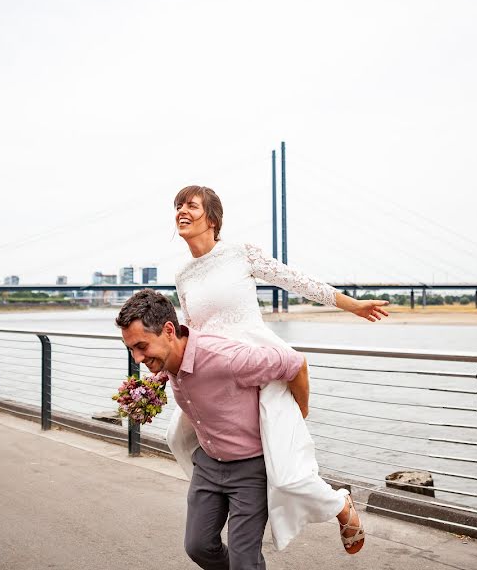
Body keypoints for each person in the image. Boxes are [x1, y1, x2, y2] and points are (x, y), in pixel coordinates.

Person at [169, 185, 389, 553]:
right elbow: (190, 330)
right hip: (215, 373)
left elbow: (298, 281)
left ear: (212, 218)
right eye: (177, 206)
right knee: (178, 439)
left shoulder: (239, 253)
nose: (181, 211)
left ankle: (340, 505)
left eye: (191, 205)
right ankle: (221, 503)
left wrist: (352, 305)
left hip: (260, 366)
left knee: (287, 471)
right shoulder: (183, 275)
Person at [116, 289, 321, 569]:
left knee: (243, 561)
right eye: (131, 349)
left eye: (142, 346)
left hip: (250, 469)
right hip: (208, 464)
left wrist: (300, 413)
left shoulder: (227, 358)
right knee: (198, 547)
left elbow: (295, 363)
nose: (137, 358)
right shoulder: (168, 360)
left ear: (167, 331)